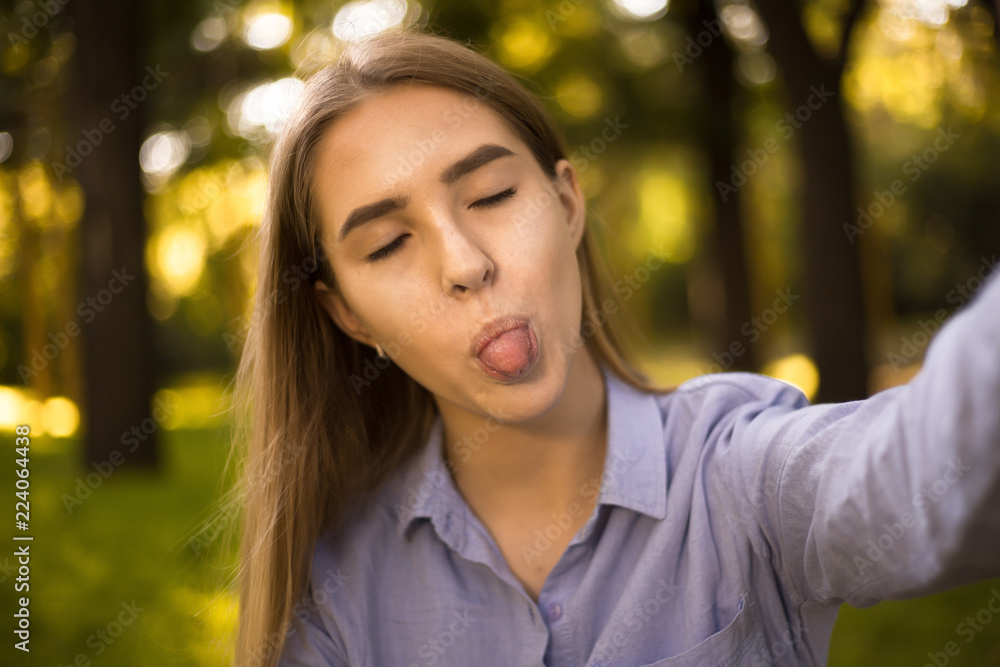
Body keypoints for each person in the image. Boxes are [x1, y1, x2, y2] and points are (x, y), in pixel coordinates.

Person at [226, 26, 1000, 667]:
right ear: (347, 315)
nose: (465, 264)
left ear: (566, 204)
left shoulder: (736, 476)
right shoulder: (335, 591)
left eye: (492, 195)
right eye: (390, 243)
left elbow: (935, 470)